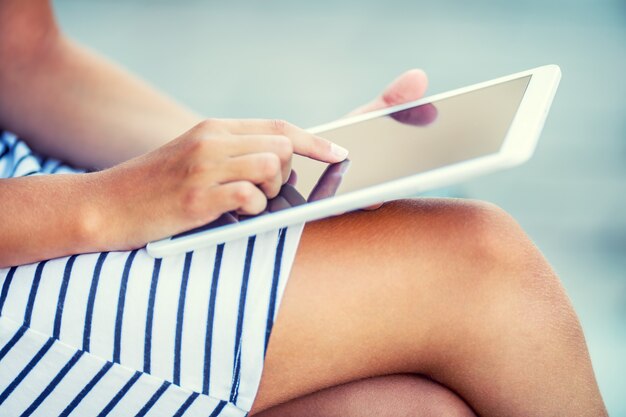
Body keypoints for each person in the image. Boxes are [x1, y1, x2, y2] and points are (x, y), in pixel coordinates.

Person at [0, 1, 608, 416]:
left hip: (40, 183)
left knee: (414, 410)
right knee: (477, 264)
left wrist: (259, 167)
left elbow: (24, 56)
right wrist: (109, 201)